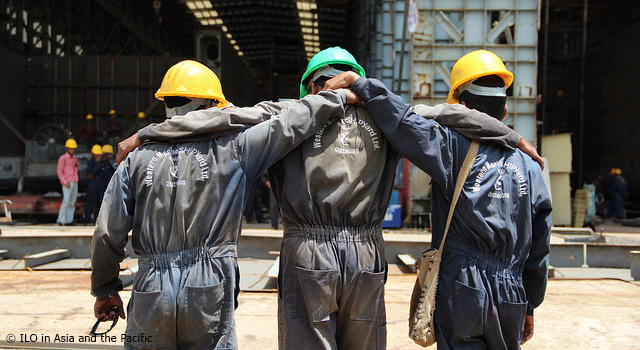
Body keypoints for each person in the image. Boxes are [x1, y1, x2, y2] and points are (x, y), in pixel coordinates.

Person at [119, 47, 543, 350]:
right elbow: (448, 114)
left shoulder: (287, 112)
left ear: (310, 85)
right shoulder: (386, 114)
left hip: (307, 251)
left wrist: (149, 133)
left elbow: (221, 117)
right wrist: (511, 136)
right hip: (365, 253)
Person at [91, 59, 356, 349]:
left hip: (151, 288)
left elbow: (107, 232)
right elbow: (292, 120)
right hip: (208, 285)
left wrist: (105, 290)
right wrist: (338, 95)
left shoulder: (135, 158)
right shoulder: (236, 146)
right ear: (210, 105)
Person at [324, 49, 552, 349]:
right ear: (504, 113)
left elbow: (403, 120)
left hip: (463, 287)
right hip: (511, 293)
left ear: (460, 106)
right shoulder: (530, 166)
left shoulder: (450, 146)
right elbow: (540, 246)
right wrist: (530, 304)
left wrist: (362, 85)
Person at [56, 138, 79, 225]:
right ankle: (61, 220)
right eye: (71, 148)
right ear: (67, 148)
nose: (73, 150)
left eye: (74, 148)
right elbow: (59, 171)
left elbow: (76, 166)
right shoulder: (63, 158)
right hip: (67, 182)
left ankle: (69, 220)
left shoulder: (74, 158)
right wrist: (64, 182)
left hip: (74, 181)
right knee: (66, 201)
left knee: (72, 202)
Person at [84, 144, 105, 225]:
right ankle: (86, 220)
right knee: (90, 202)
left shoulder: (103, 162)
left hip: (100, 184)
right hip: (92, 184)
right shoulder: (90, 162)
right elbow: (90, 173)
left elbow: (104, 173)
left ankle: (97, 220)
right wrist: (98, 166)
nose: (97, 156)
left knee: (99, 203)